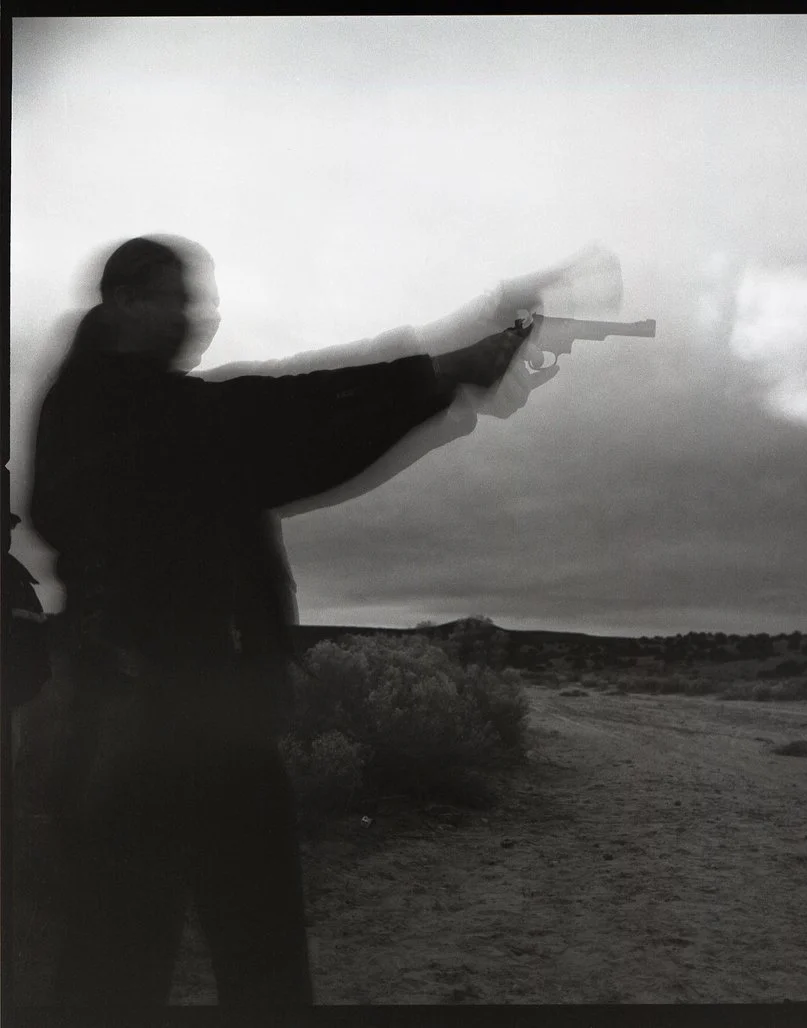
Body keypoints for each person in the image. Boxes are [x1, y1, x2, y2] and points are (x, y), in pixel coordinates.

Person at [28, 234, 588, 1012]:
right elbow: (280, 420)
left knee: (168, 966)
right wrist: (440, 372)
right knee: (149, 974)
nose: (203, 318)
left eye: (208, 302)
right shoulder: (119, 410)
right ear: (123, 301)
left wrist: (449, 364)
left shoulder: (123, 406)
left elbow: (274, 423)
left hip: (179, 721)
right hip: (151, 725)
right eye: (180, 298)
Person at [3, 468, 51, 769]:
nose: (6, 536)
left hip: (14, 686)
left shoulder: (15, 575)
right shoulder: (14, 575)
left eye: (6, 529)